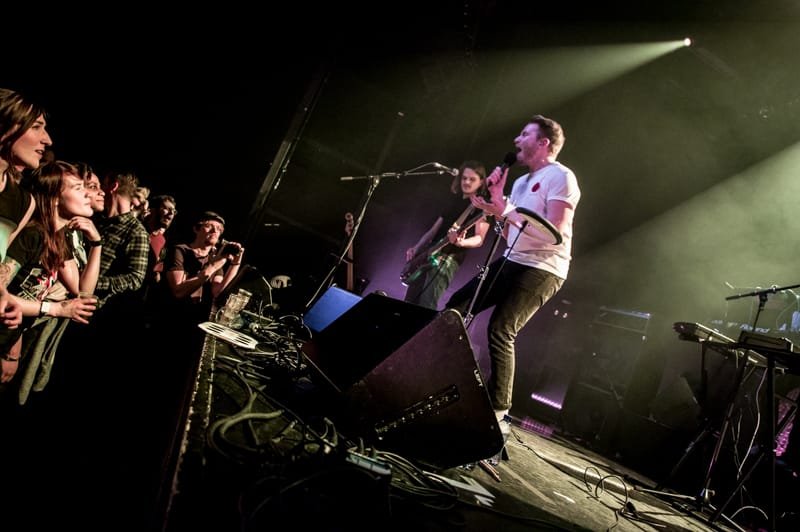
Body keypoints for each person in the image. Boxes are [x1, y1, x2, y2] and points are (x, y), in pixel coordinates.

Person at [445, 115, 581, 427]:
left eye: (524, 134)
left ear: (543, 142)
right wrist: (496, 205)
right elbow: (511, 234)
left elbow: (555, 233)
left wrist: (505, 209)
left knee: (501, 328)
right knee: (457, 306)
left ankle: (497, 411)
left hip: (544, 267)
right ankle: (442, 375)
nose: (517, 140)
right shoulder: (519, 183)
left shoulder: (561, 177)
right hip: (512, 259)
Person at [403, 161, 489, 310]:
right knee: (408, 301)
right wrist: (416, 248)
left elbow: (479, 238)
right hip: (428, 254)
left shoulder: (480, 206)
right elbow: (433, 230)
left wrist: (461, 242)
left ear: (481, 182)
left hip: (447, 260)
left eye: (472, 179)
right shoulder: (454, 200)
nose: (467, 182)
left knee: (426, 305)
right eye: (464, 178)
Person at [0, 87, 52, 330]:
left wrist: (5, 299)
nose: (47, 140)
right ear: (5, 126)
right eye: (36, 127)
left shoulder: (23, 202)